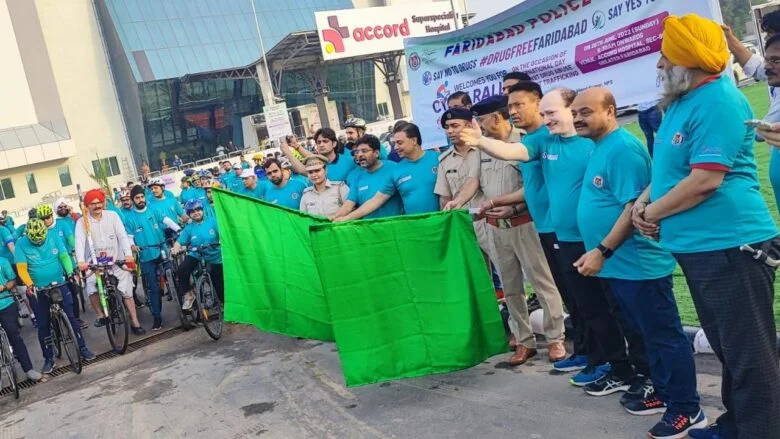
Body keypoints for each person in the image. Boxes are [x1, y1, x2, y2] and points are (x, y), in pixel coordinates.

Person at [632, 14, 780, 439]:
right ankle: (736, 426)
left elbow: (705, 180)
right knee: (729, 349)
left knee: (750, 356)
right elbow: (669, 170)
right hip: (700, 247)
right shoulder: (681, 102)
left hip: (731, 246)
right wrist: (643, 203)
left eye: (666, 56)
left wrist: (652, 214)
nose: (660, 64)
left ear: (689, 59)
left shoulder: (718, 100)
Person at [461, 87, 636, 389]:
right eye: (544, 114)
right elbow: (514, 152)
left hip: (595, 239)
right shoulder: (543, 140)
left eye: (551, 112)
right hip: (559, 233)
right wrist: (480, 141)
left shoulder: (595, 143)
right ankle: (597, 359)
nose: (546, 118)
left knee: (604, 305)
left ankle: (618, 365)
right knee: (581, 303)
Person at [572, 87, 705, 438]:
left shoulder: (623, 149)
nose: (577, 118)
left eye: (586, 112)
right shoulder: (600, 146)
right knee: (647, 336)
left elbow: (633, 209)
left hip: (639, 266)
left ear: (610, 111)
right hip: (619, 267)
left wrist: (602, 250)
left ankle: (687, 409)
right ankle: (664, 392)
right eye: (575, 113)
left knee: (664, 337)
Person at [470, 95, 566, 366]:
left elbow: (535, 186)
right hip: (495, 228)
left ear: (495, 118)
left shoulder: (525, 142)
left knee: (542, 283)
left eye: (481, 120)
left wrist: (512, 207)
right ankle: (524, 341)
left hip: (524, 224)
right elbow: (474, 182)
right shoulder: (482, 148)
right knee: (511, 288)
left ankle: (556, 338)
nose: (479, 125)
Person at [16, 218, 96, 373]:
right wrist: (29, 284)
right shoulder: (21, 243)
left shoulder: (53, 236)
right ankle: (48, 359)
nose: (39, 243)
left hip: (58, 282)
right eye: (35, 241)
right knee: (43, 325)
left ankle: (83, 348)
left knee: (71, 317)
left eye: (41, 240)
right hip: (37, 288)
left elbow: (64, 256)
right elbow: (22, 268)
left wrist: (70, 272)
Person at [74, 189, 143, 332]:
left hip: (116, 259)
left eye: (99, 202)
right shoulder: (82, 222)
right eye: (93, 204)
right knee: (91, 288)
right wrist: (81, 261)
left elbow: (122, 236)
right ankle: (100, 315)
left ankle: (135, 321)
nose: (97, 206)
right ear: (87, 206)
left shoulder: (112, 216)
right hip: (95, 263)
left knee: (127, 291)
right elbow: (79, 241)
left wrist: (128, 255)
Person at [123, 185, 181, 331]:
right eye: (137, 198)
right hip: (146, 255)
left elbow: (167, 220)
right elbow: (129, 237)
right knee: (153, 289)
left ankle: (185, 308)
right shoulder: (130, 218)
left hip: (161, 249)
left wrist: (179, 229)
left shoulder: (153, 210)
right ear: (133, 200)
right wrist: (132, 245)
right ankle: (157, 317)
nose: (140, 200)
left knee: (175, 277)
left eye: (142, 197)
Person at [36, 204, 87, 329]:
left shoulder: (62, 224)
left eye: (48, 217)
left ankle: (76, 318)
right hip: (52, 267)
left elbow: (71, 240)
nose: (45, 220)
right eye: (42, 218)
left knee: (72, 292)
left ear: (52, 215)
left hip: (67, 261)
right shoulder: (39, 231)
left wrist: (77, 249)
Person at [332, 135, 403, 221]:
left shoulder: (393, 168)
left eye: (364, 151)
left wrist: (347, 218)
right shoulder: (357, 177)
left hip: (393, 226)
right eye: (357, 152)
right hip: (368, 227)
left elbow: (377, 200)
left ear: (376, 153)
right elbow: (349, 203)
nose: (359, 155)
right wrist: (333, 218)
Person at [172, 200, 223, 311]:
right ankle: (189, 295)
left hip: (214, 254)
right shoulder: (189, 228)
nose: (196, 213)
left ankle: (224, 304)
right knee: (182, 270)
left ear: (202, 210)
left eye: (198, 210)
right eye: (192, 212)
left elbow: (223, 234)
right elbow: (179, 242)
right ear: (189, 214)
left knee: (219, 282)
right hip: (196, 253)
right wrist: (175, 248)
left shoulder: (213, 221)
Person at [0, 255, 41, 381]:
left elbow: (13, 280)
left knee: (15, 337)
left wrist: (4, 287)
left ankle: (28, 369)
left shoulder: (2, 261)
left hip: (5, 304)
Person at [282, 128, 358, 183]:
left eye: (325, 141)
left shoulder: (350, 161)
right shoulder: (316, 165)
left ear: (334, 144)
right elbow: (301, 169)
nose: (321, 145)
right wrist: (291, 149)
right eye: (319, 142)